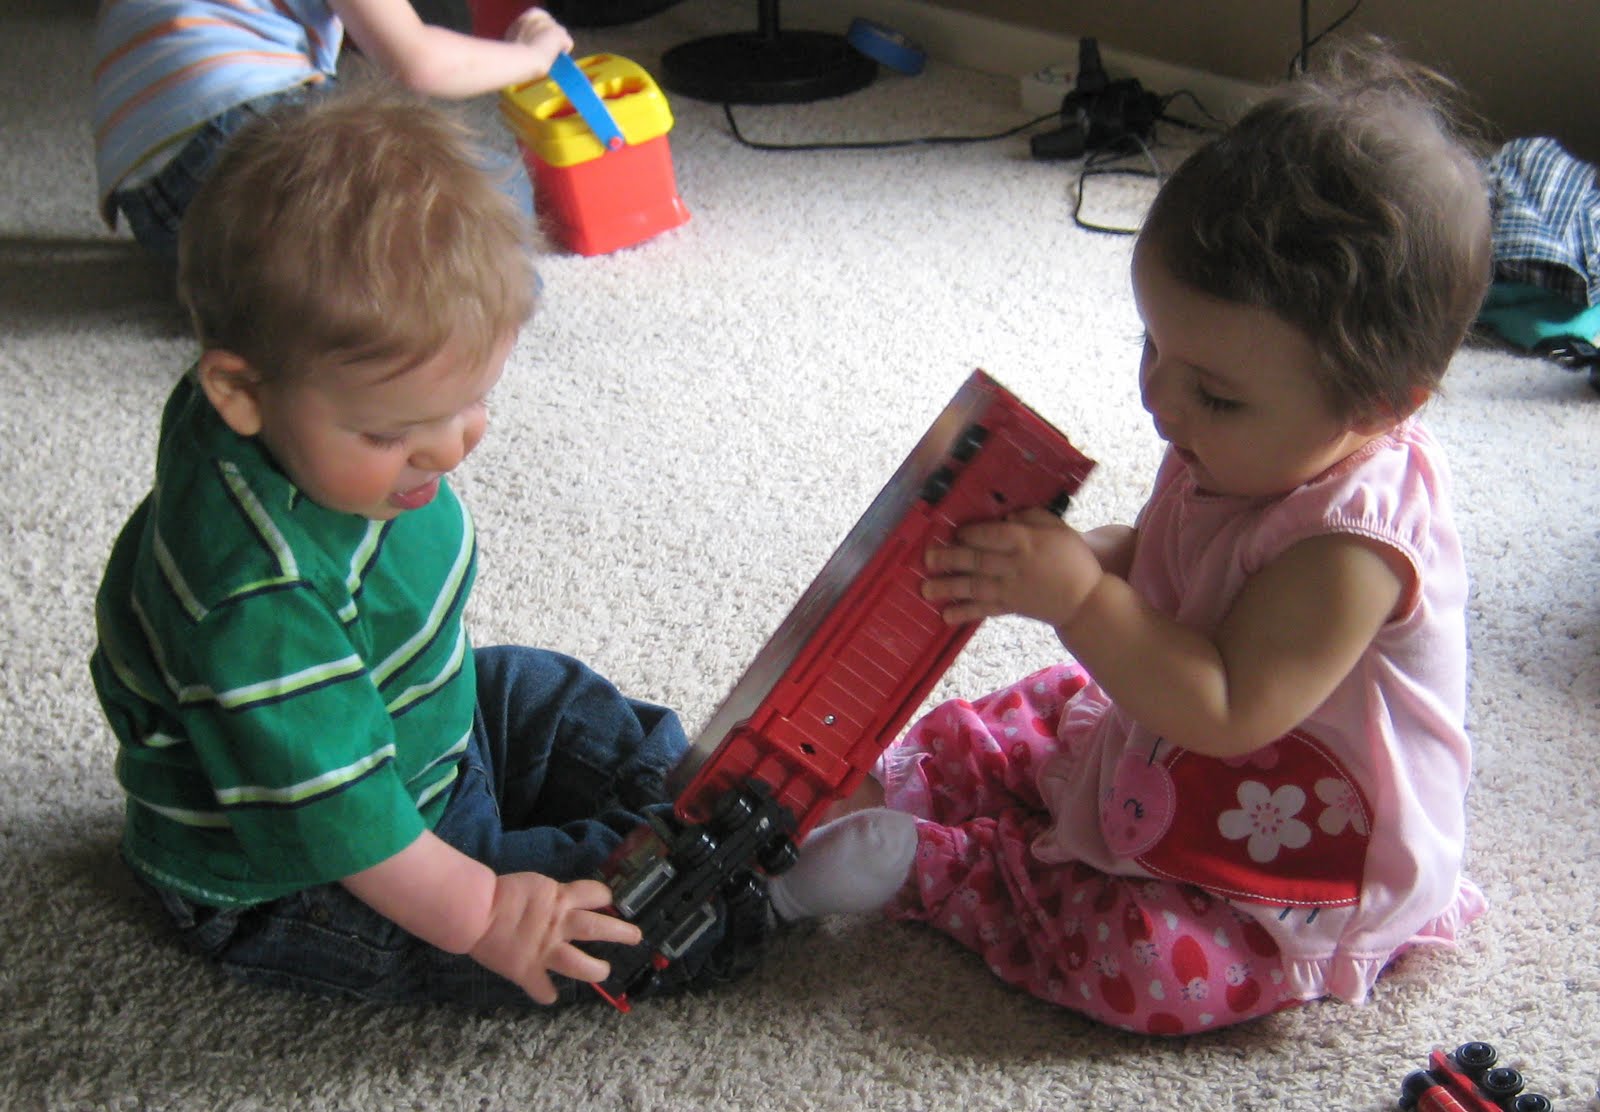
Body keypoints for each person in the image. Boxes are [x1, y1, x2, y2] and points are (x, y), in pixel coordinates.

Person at [767, 42, 1494, 1036]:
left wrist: (1079, 598)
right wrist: (1074, 560)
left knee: (1151, 965)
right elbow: (1167, 559)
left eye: (1215, 394)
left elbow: (1226, 707)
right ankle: (876, 783)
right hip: (1158, 724)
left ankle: (927, 867)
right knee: (1040, 708)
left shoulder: (1352, 548)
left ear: (1380, 406)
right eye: (1153, 346)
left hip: (1280, 842)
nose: (1161, 401)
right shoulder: (1239, 441)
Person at [89, 82, 763, 1009]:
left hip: (403, 723)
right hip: (315, 862)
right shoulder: (258, 604)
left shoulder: (280, 392)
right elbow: (343, 820)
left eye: (471, 401)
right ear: (239, 393)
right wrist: (483, 912)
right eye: (391, 432)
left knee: (546, 693)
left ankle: (697, 812)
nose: (449, 449)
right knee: (565, 932)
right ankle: (739, 896)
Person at [92, 0, 574, 267]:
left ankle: (261, 286)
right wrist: (533, 56)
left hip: (156, 207)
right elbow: (419, 63)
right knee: (483, 185)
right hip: (239, 129)